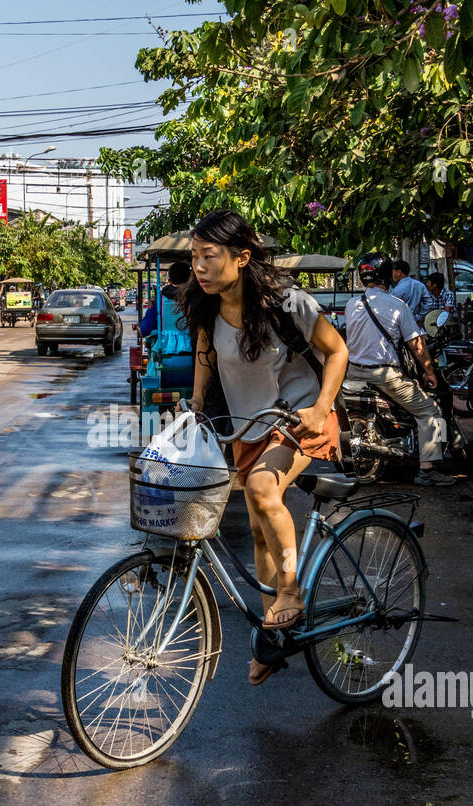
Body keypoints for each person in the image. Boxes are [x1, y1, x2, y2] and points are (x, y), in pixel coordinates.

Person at [183, 210, 349, 685]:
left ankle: (291, 593)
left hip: (297, 417)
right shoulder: (207, 304)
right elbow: (205, 353)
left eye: (208, 257)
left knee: (260, 490)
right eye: (194, 257)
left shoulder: (286, 301)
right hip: (247, 426)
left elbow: (336, 350)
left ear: (243, 257)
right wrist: (195, 401)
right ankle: (273, 640)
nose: (199, 267)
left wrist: (321, 408)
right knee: (258, 532)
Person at [345, 253, 454, 487]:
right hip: (384, 375)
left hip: (354, 372)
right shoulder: (396, 305)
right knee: (430, 411)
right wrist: (430, 372)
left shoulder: (351, 304)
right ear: (387, 276)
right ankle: (427, 470)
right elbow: (416, 344)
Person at [140, 261, 191, 340]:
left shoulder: (160, 300)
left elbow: (145, 330)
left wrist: (150, 309)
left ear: (170, 280)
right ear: (190, 278)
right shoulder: (196, 298)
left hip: (166, 347)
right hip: (193, 346)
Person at [390, 259, 430, 324]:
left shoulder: (397, 290)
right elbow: (429, 302)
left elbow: (392, 309)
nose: (392, 274)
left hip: (402, 323)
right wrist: (420, 317)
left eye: (393, 272)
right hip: (417, 323)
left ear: (399, 272)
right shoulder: (420, 285)